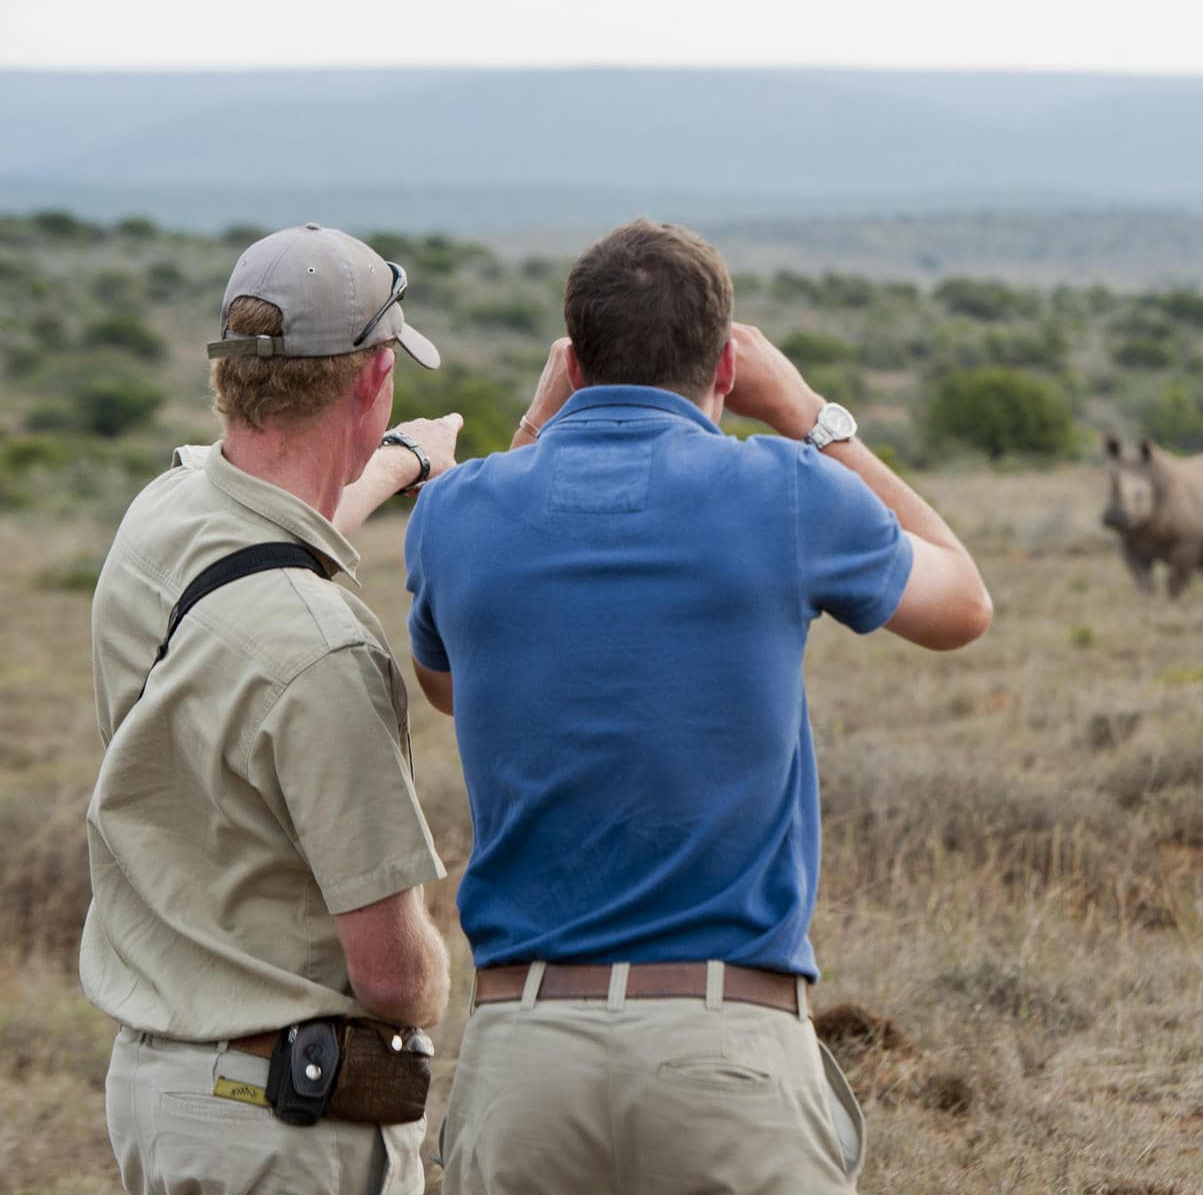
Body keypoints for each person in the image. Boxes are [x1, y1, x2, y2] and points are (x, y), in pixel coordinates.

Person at [403, 219, 991, 1193]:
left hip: (526, 1053)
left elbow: (450, 685)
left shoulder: (457, 511)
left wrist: (529, 436)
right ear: (726, 363)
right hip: (728, 1045)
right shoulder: (786, 489)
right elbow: (962, 604)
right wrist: (812, 418)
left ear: (574, 362)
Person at [82, 223, 463, 1195]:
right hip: (277, 1129)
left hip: (161, 1090)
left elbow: (261, 554)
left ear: (232, 372)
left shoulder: (161, 516)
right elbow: (392, 981)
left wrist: (393, 466)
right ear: (374, 379)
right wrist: (441, 970)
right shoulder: (325, 652)